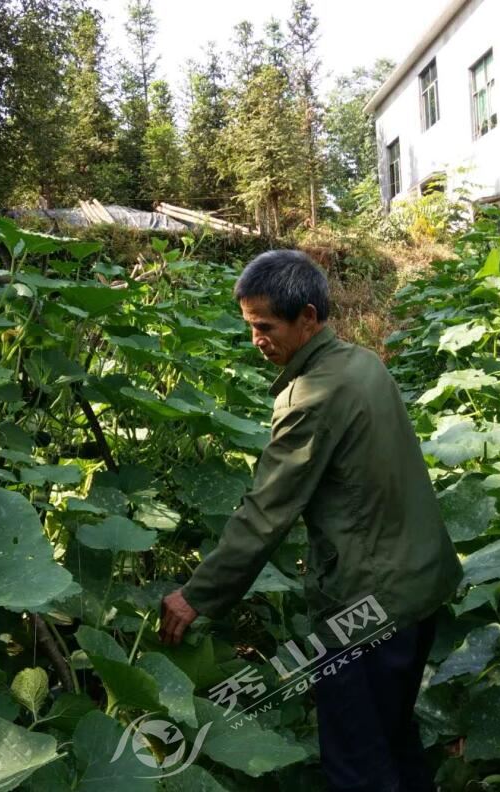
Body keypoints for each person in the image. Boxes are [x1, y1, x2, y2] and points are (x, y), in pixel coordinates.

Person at [158, 249, 463, 792]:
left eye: (265, 327)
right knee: (394, 738)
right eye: (250, 325)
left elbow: (267, 511)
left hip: (368, 604)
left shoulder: (312, 395)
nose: (256, 339)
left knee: (356, 764)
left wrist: (197, 595)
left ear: (308, 318)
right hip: (419, 585)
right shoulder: (363, 363)